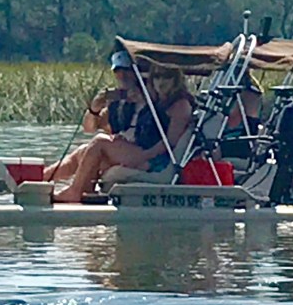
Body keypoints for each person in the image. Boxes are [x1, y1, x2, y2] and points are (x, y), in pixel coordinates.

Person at [53, 64, 194, 203]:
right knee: (84, 151)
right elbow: (91, 128)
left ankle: (75, 192)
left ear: (176, 79)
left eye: (167, 76)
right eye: (157, 76)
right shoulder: (158, 101)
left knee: (99, 142)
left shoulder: (180, 105)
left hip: (156, 159)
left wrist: (146, 159)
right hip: (144, 151)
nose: (161, 81)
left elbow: (170, 144)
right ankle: (44, 179)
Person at [43, 50, 144, 181]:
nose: (122, 75)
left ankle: (74, 189)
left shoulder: (148, 96)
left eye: (126, 70)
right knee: (83, 151)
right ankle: (40, 178)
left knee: (97, 144)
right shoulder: (116, 102)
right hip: (120, 149)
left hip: (137, 151)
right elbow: (89, 128)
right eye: (117, 71)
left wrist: (138, 97)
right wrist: (94, 109)